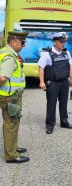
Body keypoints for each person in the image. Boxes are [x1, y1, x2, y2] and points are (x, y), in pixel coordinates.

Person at [0, 31, 30, 163]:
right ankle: (11, 155)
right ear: (13, 42)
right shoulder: (10, 57)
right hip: (10, 97)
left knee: (13, 123)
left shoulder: (4, 52)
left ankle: (13, 147)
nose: (24, 45)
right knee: (11, 125)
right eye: (22, 43)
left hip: (9, 95)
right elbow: (2, 78)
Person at [38, 32, 72, 134]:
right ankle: (50, 125)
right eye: (61, 41)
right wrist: (41, 82)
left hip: (64, 82)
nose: (63, 44)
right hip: (53, 83)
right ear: (55, 42)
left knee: (63, 103)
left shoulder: (66, 53)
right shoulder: (47, 54)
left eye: (64, 42)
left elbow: (69, 67)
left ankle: (64, 122)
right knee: (51, 104)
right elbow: (41, 68)